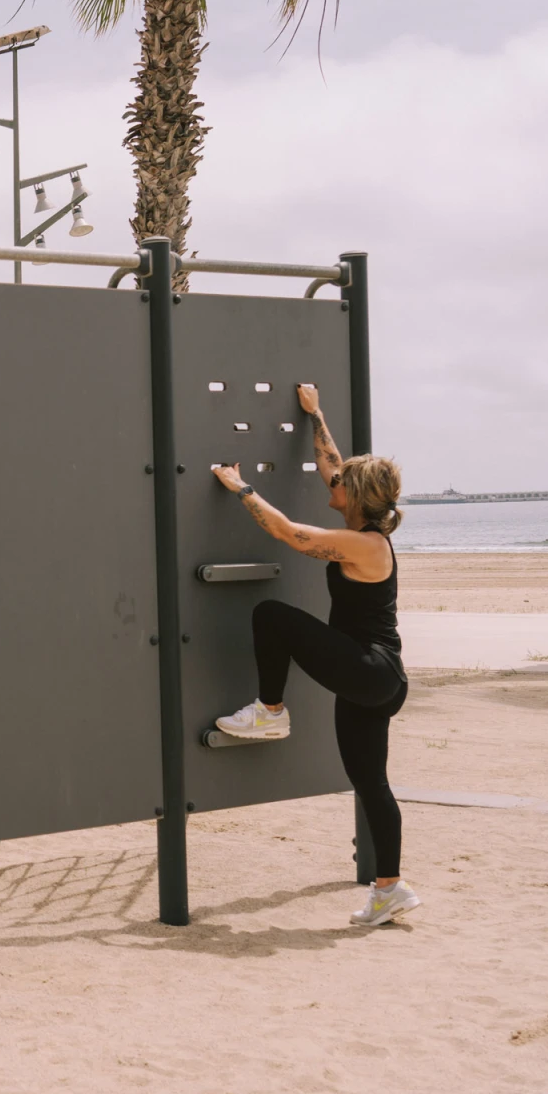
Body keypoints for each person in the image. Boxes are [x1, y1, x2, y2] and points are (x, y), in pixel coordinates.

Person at [211, 383, 415, 928]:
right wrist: (314, 415)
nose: (331, 479)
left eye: (340, 482)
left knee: (271, 616)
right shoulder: (360, 521)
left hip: (369, 667)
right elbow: (330, 460)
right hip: (376, 680)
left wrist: (239, 486)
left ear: (356, 496)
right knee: (371, 782)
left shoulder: (366, 544)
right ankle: (390, 889)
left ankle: (271, 711)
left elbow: (293, 536)